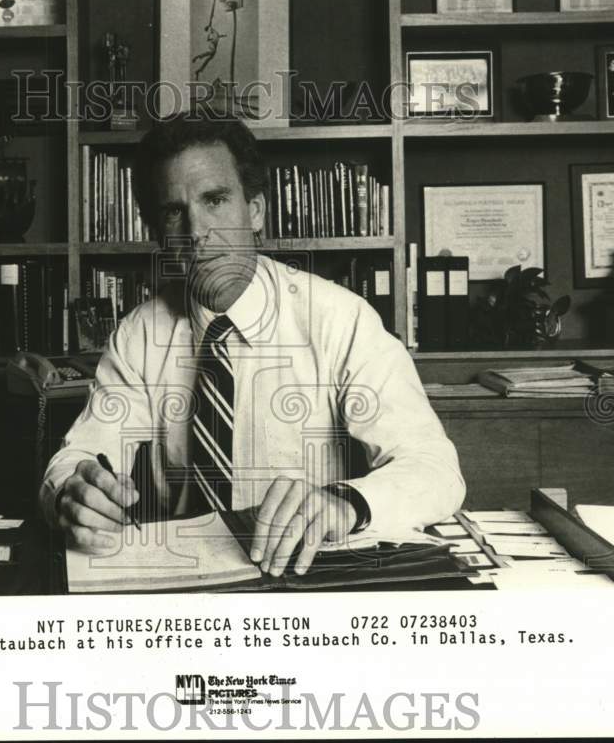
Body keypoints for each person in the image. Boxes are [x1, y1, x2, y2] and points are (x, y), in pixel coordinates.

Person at [40, 114, 464, 577]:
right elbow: (79, 454)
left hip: (305, 575)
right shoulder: (139, 335)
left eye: (215, 199)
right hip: (181, 578)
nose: (197, 230)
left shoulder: (341, 319)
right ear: (158, 232)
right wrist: (72, 493)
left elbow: (434, 469)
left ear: (256, 211)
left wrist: (346, 503)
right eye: (173, 211)